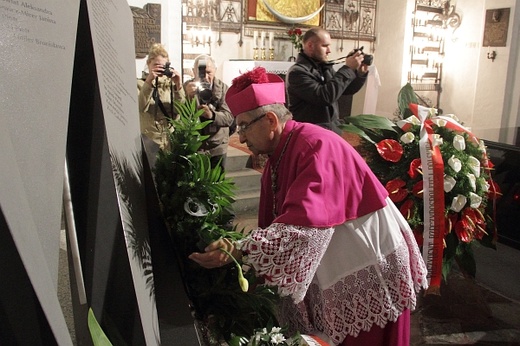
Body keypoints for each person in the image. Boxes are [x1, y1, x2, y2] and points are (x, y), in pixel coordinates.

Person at [189, 67, 428, 346]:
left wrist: (241, 249)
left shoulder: (315, 146)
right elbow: (275, 225)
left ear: (269, 120)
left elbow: (303, 229)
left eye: (243, 126)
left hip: (367, 264)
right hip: (336, 260)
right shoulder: (277, 155)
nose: (240, 137)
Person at [285, 27, 369, 135]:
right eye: (325, 46)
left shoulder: (323, 67)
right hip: (310, 134)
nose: (329, 50)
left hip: (330, 130)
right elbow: (324, 96)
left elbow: (345, 90)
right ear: (310, 46)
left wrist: (359, 74)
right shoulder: (297, 73)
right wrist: (347, 69)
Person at [183, 55, 235, 170]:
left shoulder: (223, 89)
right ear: (193, 71)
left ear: (215, 70)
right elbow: (179, 115)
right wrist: (187, 97)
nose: (205, 77)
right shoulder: (187, 88)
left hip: (217, 145)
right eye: (200, 73)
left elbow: (229, 118)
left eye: (209, 72)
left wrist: (212, 115)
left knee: (217, 183)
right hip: (195, 145)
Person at [137, 43, 185, 151]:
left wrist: (179, 85)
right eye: (156, 65)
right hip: (149, 141)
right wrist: (149, 82)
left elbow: (181, 109)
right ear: (148, 64)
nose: (159, 69)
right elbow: (140, 107)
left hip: (170, 140)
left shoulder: (171, 86)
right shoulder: (140, 84)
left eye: (163, 67)